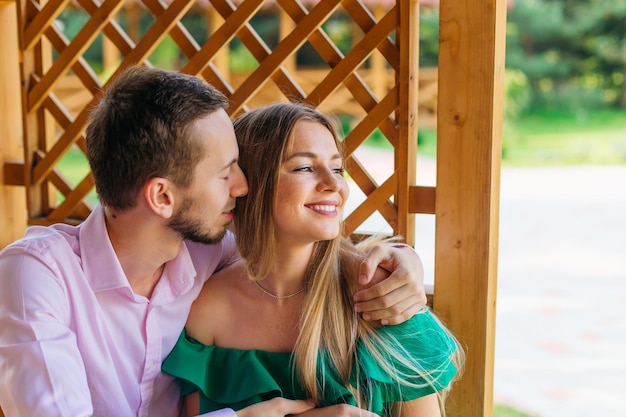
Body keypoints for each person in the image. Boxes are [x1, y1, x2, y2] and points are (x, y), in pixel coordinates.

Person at [0, 66, 428, 417]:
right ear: (163, 196)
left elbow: (293, 244)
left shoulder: (207, 253)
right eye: (226, 174)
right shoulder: (36, 277)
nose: (244, 187)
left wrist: (402, 260)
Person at [162, 103, 464, 417]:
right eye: (305, 168)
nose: (334, 185)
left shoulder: (379, 296)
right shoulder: (207, 311)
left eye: (336, 168)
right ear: (249, 183)